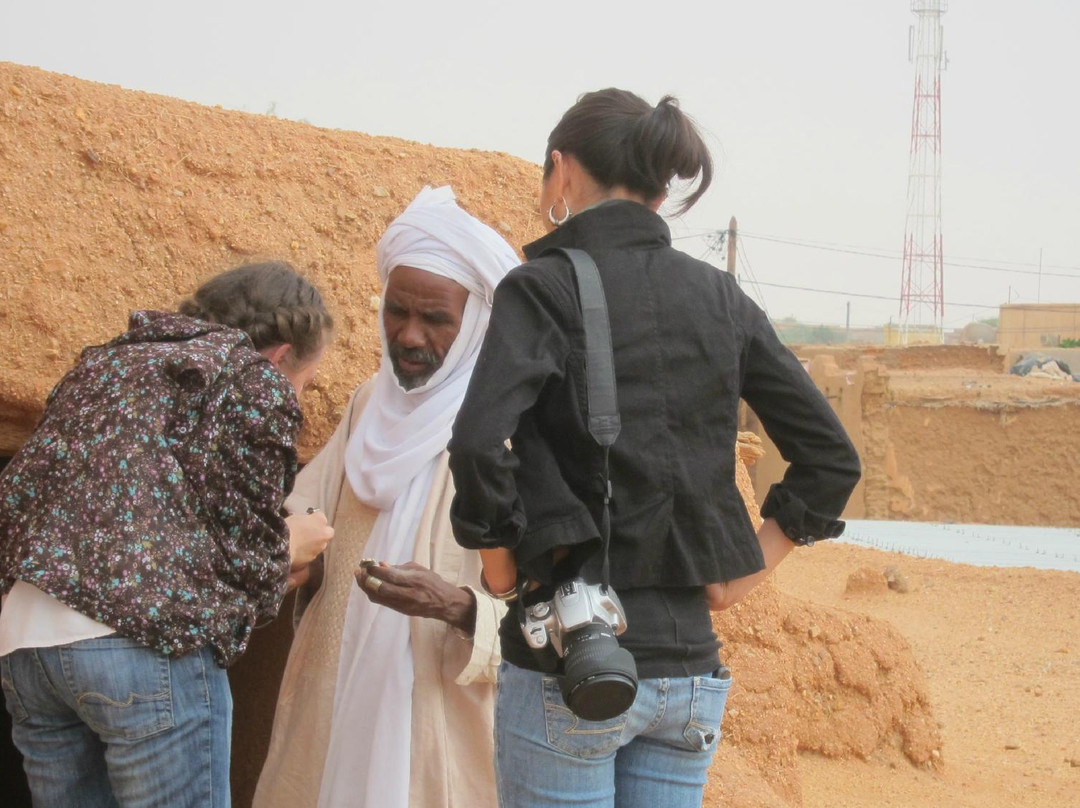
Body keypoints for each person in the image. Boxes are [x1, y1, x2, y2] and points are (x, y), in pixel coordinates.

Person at [447, 89, 863, 808]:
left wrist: (502, 576)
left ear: (562, 171)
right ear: (660, 184)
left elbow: (480, 442)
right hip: (691, 679)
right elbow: (832, 457)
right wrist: (745, 574)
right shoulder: (721, 297)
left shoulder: (541, 289)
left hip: (568, 672)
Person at [0, 261, 335, 808]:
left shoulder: (105, 361)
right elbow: (248, 559)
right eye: (304, 383)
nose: (295, 397)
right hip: (138, 648)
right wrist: (290, 545)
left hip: (25, 645)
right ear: (280, 356)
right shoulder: (249, 377)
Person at [253, 186, 520, 808]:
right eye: (397, 311)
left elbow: (549, 613)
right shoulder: (370, 402)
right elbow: (303, 517)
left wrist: (458, 606)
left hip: (438, 714)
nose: (408, 335)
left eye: (436, 319)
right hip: (336, 692)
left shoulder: (513, 426)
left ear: (478, 320)